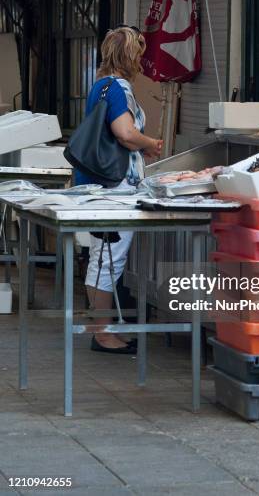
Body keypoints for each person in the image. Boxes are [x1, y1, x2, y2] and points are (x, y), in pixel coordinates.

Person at [75, 26, 163, 353]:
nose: (141, 61)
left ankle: (104, 328)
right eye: (139, 54)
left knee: (101, 256)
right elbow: (125, 133)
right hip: (115, 188)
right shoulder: (118, 88)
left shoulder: (99, 85)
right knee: (109, 259)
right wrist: (150, 143)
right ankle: (103, 334)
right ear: (128, 57)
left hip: (97, 184)